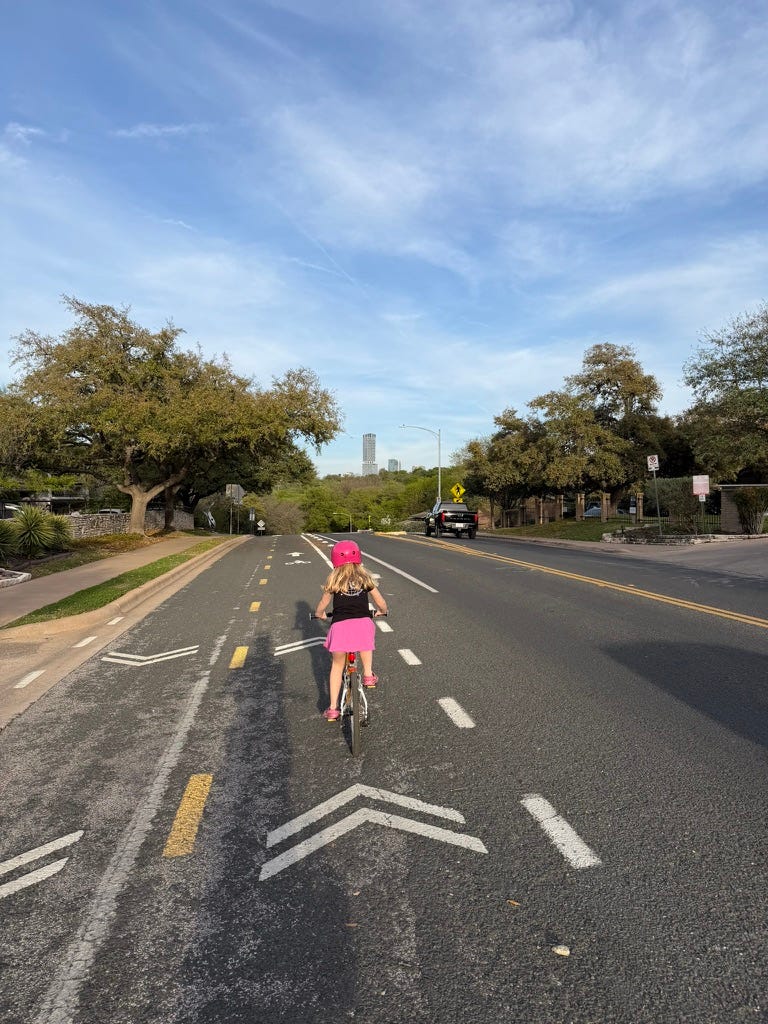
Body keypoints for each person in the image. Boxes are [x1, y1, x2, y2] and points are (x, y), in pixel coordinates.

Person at [314, 540, 388, 722]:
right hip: (363, 623)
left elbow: (323, 604)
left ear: (334, 561)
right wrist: (382, 611)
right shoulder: (365, 579)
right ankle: (368, 675)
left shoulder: (333, 581)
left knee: (337, 666)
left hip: (340, 627)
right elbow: (380, 601)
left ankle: (333, 709)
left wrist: (319, 614)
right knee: (365, 644)